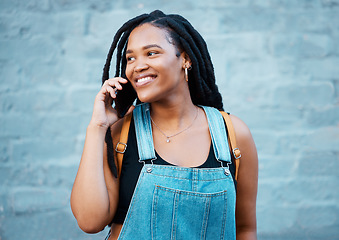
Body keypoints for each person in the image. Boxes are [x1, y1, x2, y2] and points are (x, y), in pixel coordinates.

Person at [70, 10, 258, 240]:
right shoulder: (122, 133)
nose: (137, 66)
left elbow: (245, 229)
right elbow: (89, 222)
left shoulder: (233, 134)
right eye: (131, 58)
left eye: (151, 53)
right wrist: (97, 127)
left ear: (186, 59)